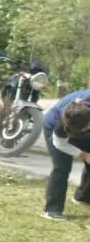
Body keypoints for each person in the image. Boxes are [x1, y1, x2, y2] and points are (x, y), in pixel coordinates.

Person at [41, 90, 90, 219]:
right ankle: (52, 210)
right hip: (54, 129)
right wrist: (83, 154)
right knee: (62, 167)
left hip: (82, 125)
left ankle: (83, 197)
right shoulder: (61, 123)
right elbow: (60, 144)